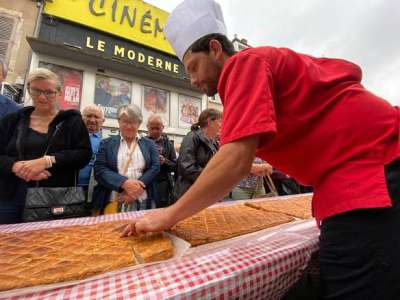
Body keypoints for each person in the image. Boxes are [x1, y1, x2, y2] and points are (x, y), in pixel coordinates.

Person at [122, 1, 400, 299]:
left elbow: (234, 159)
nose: (192, 80)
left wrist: (168, 215)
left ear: (215, 49)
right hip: (366, 171)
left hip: (369, 172)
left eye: (193, 66)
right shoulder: (252, 72)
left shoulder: (245, 64)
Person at [0, 68, 92, 224]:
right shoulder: (12, 119)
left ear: (59, 93)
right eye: (36, 90)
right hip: (10, 195)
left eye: (49, 92)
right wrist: (17, 167)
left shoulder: (72, 121)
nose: (42, 97)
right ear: (29, 89)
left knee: (45, 244)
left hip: (53, 197)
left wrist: (46, 161)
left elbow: (83, 155)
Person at [93, 104, 159, 213]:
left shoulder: (149, 144)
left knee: (143, 229)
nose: (129, 126)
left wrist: (135, 190)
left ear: (139, 123)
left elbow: (155, 167)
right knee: (112, 229)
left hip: (143, 200)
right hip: (114, 200)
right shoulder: (106, 143)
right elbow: (99, 169)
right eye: (125, 121)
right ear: (119, 122)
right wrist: (124, 183)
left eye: (133, 122)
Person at [173, 108, 221, 201]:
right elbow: (187, 167)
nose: (221, 125)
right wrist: (212, 176)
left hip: (205, 192)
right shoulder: (192, 137)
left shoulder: (214, 142)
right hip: (188, 193)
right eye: (220, 121)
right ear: (210, 121)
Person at [146, 115, 177, 208]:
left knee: (161, 211)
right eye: (152, 128)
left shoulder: (168, 144)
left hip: (163, 186)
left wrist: (165, 161)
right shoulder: (141, 142)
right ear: (147, 127)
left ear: (162, 128)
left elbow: (175, 166)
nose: (155, 131)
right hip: (146, 184)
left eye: (158, 128)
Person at [79, 104, 105, 199]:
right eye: (88, 116)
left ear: (103, 121)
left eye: (96, 117)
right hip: (68, 189)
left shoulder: (106, 142)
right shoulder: (70, 137)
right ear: (81, 118)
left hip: (94, 191)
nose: (92, 120)